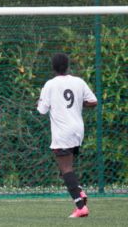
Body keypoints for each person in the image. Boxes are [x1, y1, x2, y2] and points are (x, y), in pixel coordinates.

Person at [37, 53, 97, 218]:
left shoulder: (50, 85)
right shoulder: (79, 81)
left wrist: (40, 103)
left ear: (53, 68)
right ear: (68, 66)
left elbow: (41, 110)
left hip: (63, 132)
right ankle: (79, 192)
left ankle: (80, 207)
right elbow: (93, 101)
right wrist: (79, 103)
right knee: (65, 167)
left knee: (66, 169)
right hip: (78, 130)